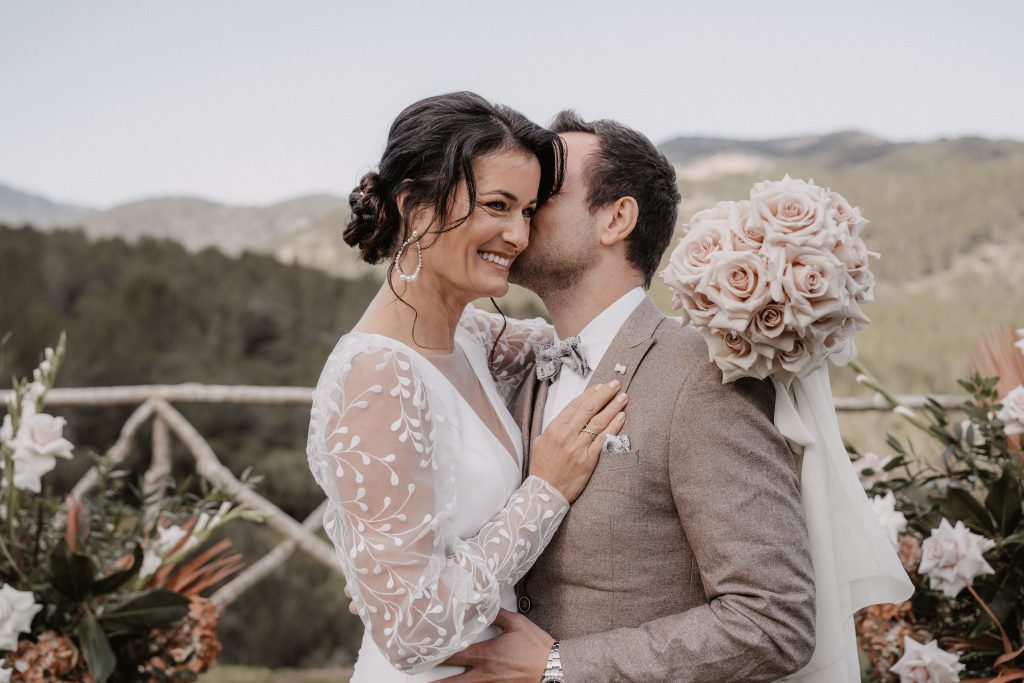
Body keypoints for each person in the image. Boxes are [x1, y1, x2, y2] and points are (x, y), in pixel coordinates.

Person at [438, 112, 817, 682]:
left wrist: (560, 667)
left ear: (616, 218)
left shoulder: (700, 377)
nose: (520, 208)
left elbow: (774, 621)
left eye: (545, 192)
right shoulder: (522, 365)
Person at [305, 92, 629, 683]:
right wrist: (546, 490)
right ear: (415, 207)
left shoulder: (474, 338)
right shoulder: (376, 374)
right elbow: (410, 630)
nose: (518, 234)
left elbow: (604, 339)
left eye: (529, 211)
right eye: (498, 206)